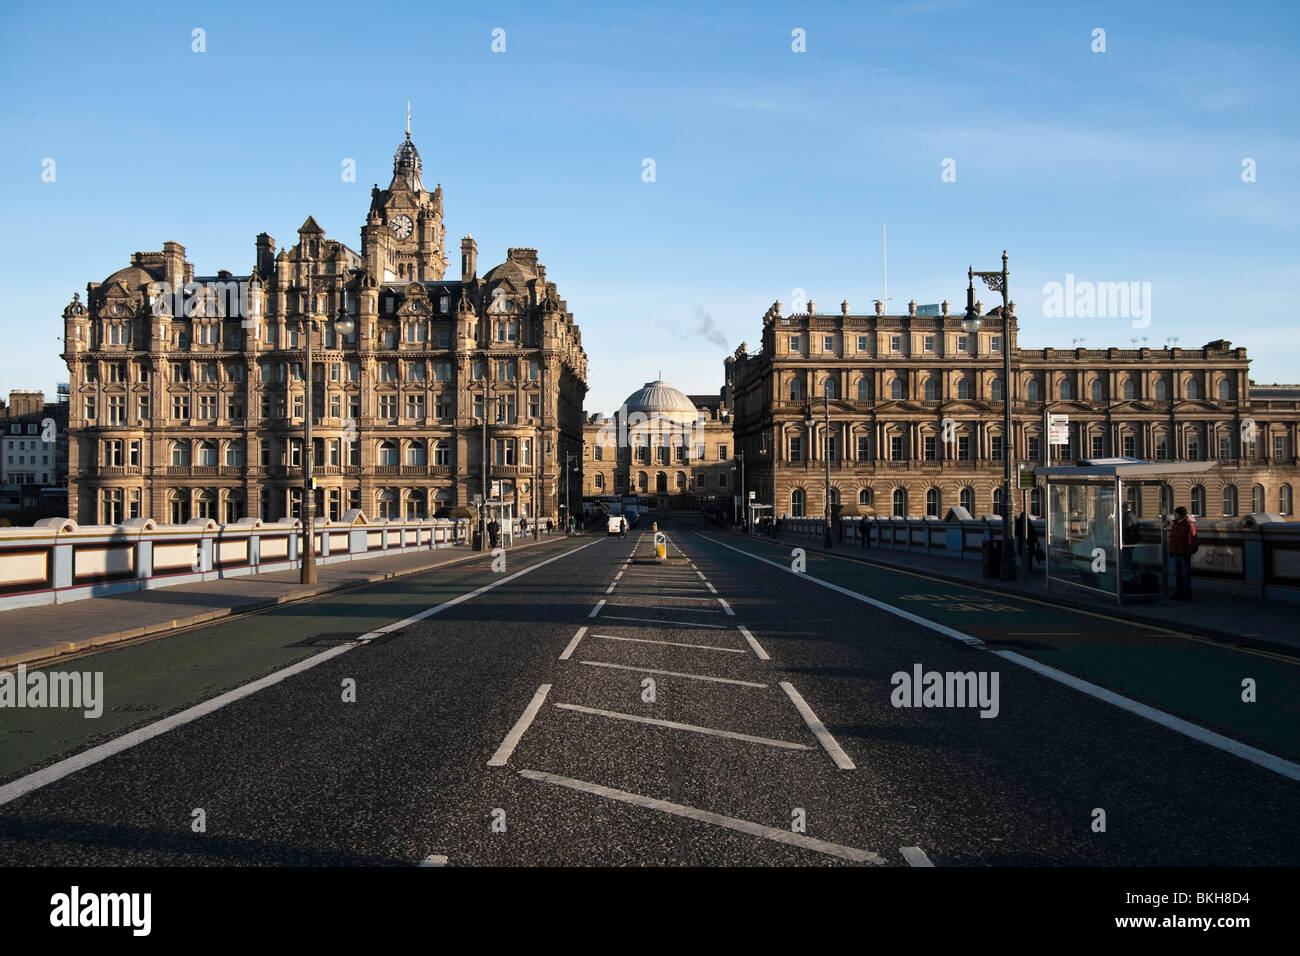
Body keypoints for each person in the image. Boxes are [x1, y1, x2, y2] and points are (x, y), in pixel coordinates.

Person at [1168, 506, 1197, 600]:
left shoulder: (1187, 524)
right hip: (1177, 552)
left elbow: (1191, 540)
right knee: (1178, 574)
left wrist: (1188, 552)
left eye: (1176, 514)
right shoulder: (1176, 524)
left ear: (1180, 515)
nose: (1174, 515)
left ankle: (1186, 593)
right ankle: (1180, 592)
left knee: (1185, 574)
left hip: (1184, 553)